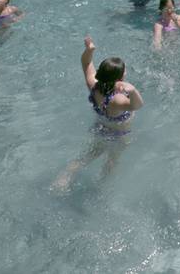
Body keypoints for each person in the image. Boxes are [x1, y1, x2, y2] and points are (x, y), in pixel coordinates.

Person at [52, 35, 145, 190]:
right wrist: (133, 90)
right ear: (120, 77)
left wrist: (89, 51)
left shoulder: (93, 86)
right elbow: (138, 105)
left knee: (87, 156)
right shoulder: (118, 99)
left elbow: (86, 63)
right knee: (112, 161)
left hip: (100, 129)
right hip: (118, 135)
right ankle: (101, 187)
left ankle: (65, 176)